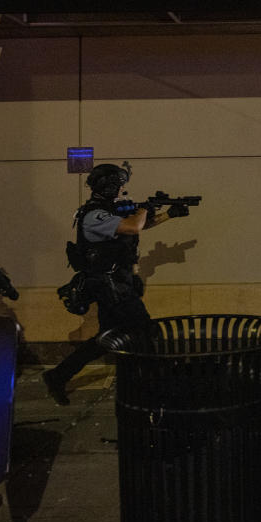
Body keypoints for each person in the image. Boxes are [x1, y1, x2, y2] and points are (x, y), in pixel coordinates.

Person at [42, 163, 190, 405]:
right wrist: (144, 207)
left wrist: (167, 215)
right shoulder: (93, 215)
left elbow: (134, 227)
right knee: (145, 332)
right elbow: (132, 226)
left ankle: (58, 375)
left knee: (107, 337)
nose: (122, 189)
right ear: (108, 185)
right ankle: (161, 388)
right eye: (119, 184)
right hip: (110, 286)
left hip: (116, 283)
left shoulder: (108, 211)